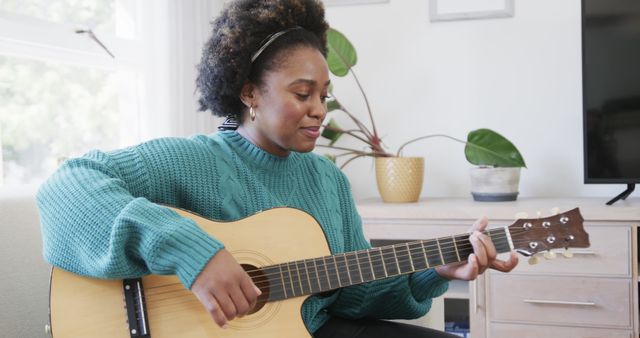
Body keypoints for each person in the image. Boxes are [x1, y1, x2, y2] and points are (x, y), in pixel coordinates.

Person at [36, 0, 518, 337]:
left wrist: (434, 269)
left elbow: (350, 296)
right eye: (302, 93)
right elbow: (66, 186)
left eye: (324, 96)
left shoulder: (328, 180)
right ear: (249, 93)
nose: (319, 110)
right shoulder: (196, 161)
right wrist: (190, 251)